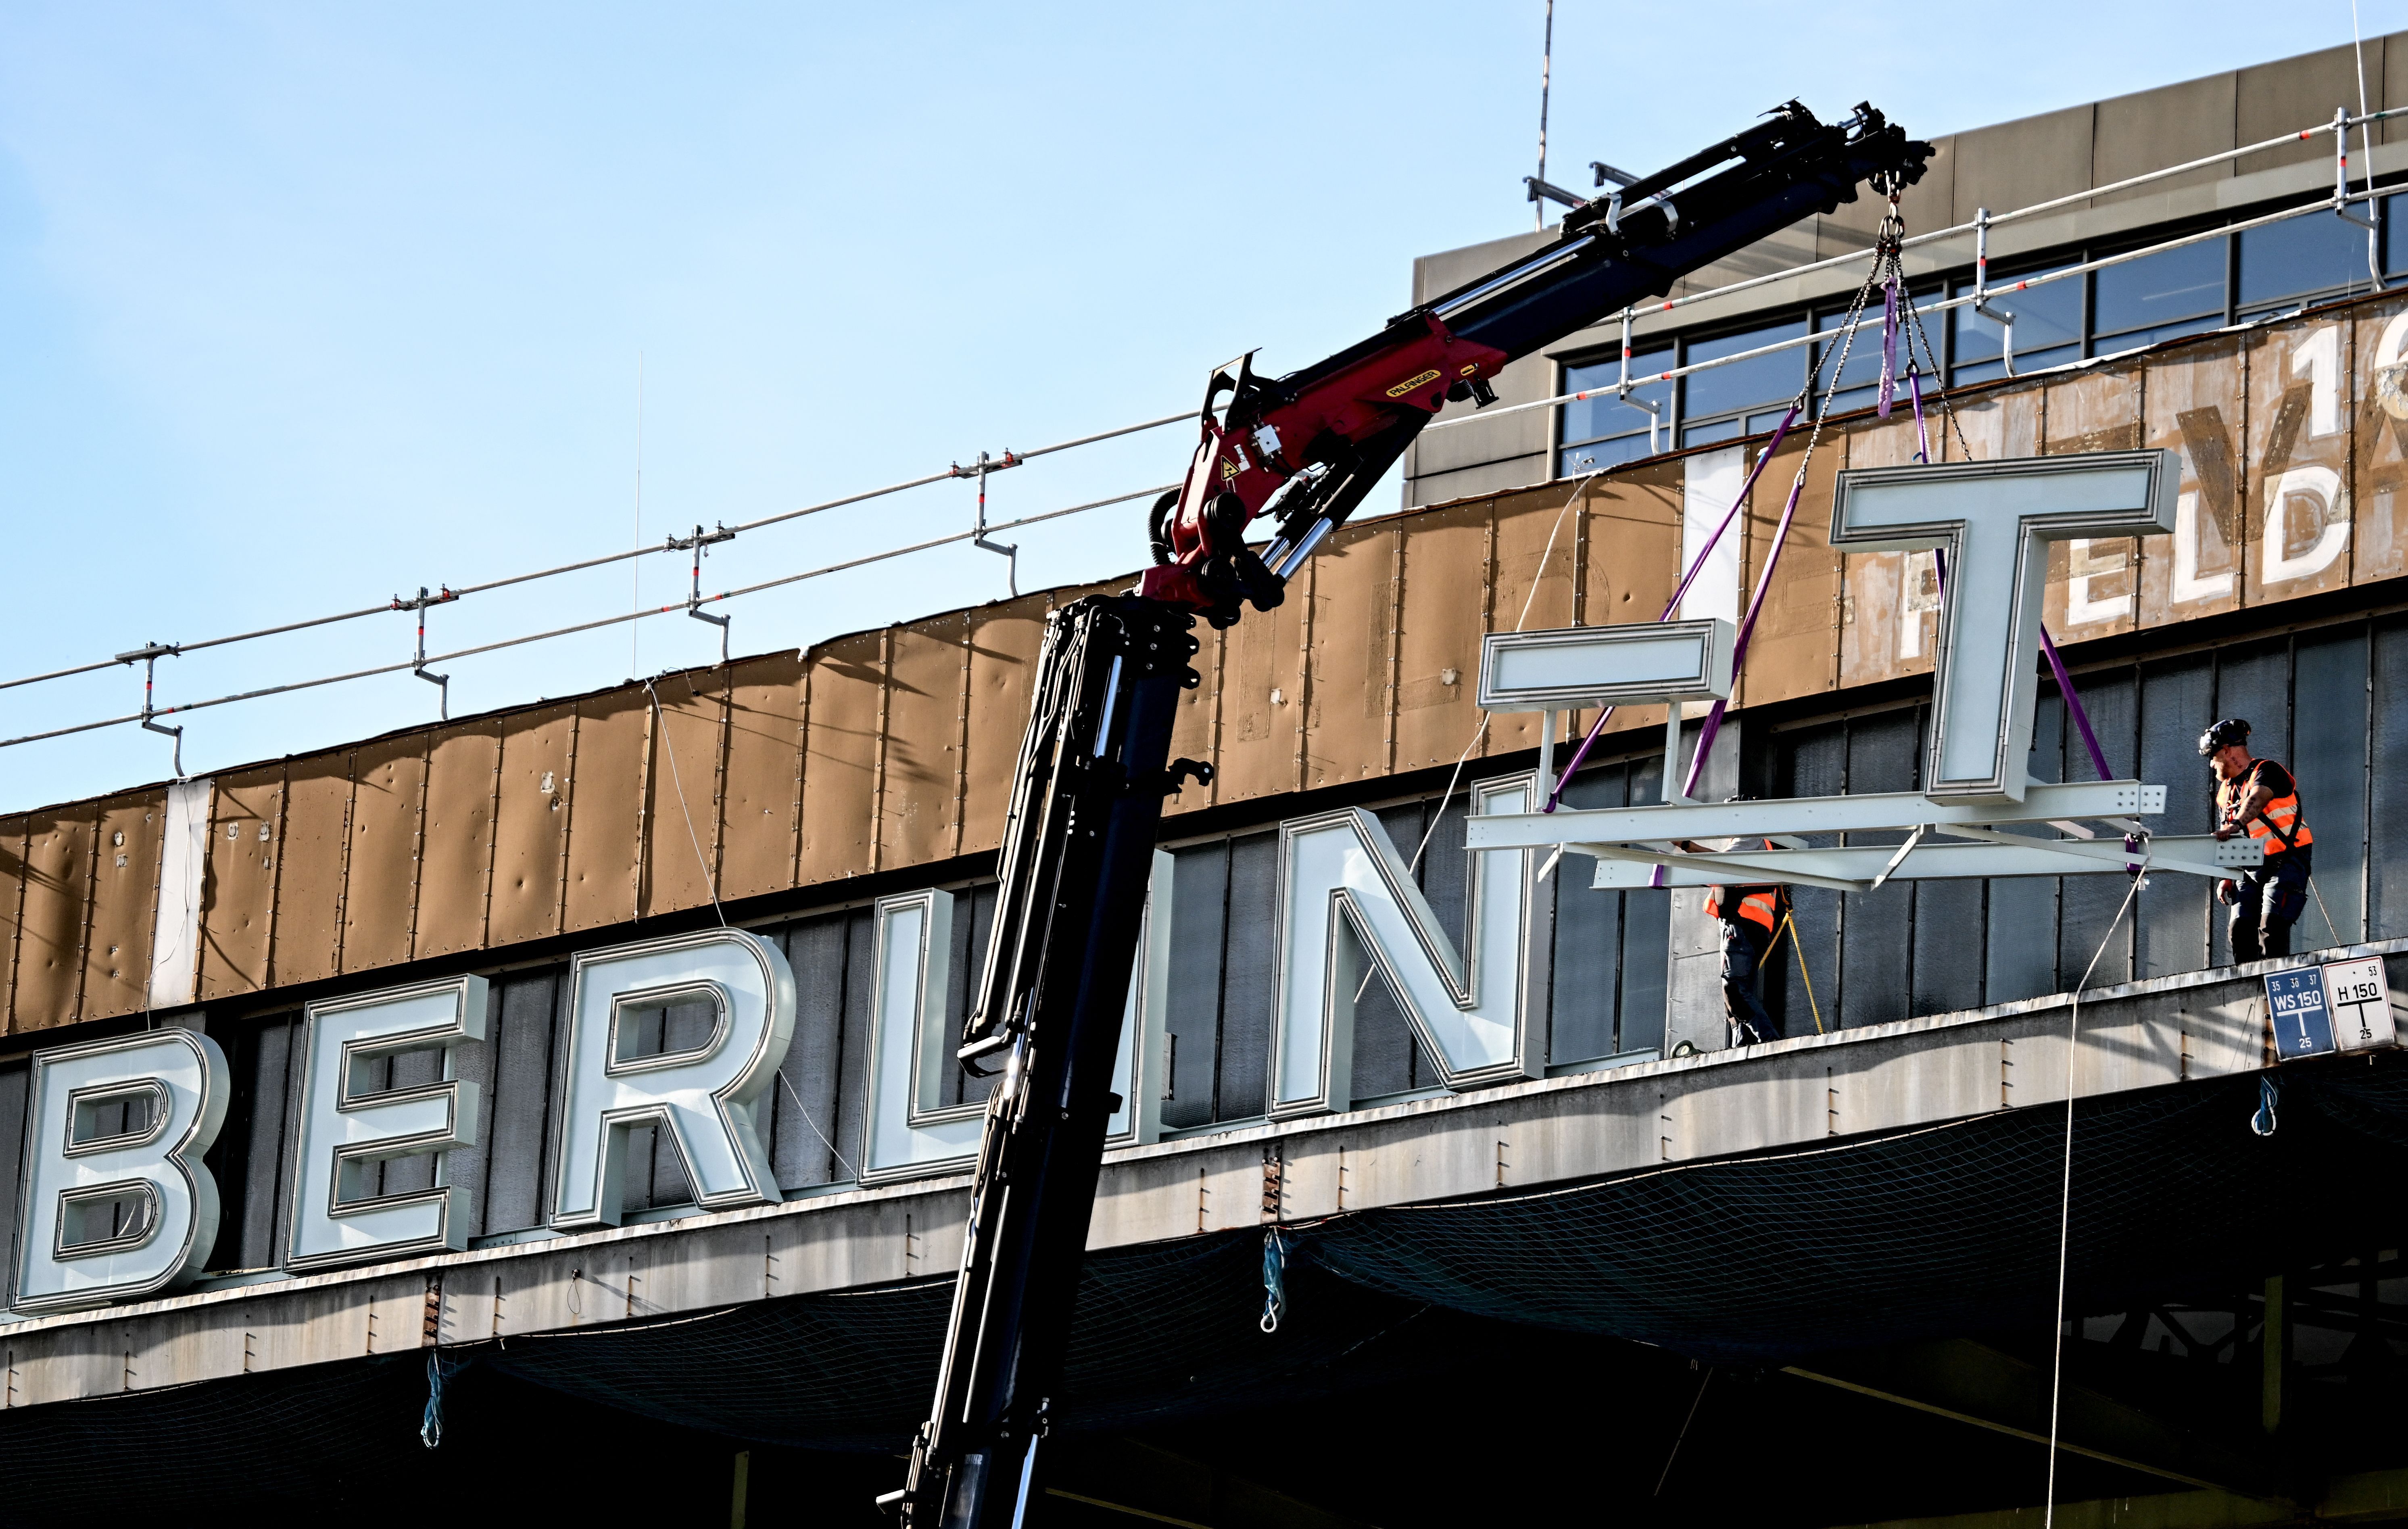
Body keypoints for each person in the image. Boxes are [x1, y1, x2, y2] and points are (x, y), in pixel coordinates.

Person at [2201, 718, 2313, 962]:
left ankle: (2276, 980)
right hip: (2248, 869)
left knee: (2271, 928)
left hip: (2286, 862)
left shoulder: (2267, 771)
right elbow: (2228, 837)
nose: (2211, 764)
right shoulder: (2225, 792)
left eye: (2213, 756)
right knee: (2239, 930)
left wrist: (2236, 824)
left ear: (2227, 750)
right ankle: (2248, 983)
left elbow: (2259, 797)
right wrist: (2227, 876)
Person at [1704, 870, 1787, 1046]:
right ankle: (1741, 1044)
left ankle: (1769, 1040)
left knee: (1735, 990)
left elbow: (1719, 869)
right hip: (1755, 928)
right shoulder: (1763, 856)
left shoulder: (1745, 850)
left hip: (1740, 923)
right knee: (1739, 995)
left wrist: (1687, 848)